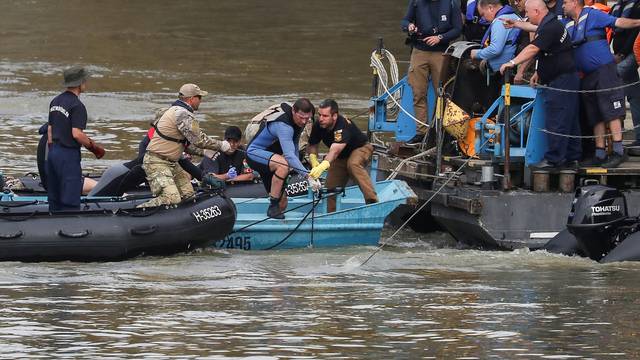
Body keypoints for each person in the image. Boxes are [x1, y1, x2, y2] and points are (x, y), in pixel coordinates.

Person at [500, 0, 581, 169]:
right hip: (564, 77)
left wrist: (512, 62)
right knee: (570, 119)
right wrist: (516, 24)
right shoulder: (551, 23)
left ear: (536, 11)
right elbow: (535, 29)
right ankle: (572, 157)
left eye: (528, 13)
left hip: (562, 80)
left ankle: (554, 159)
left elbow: (533, 48)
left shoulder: (550, 27)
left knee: (557, 119)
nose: (527, 16)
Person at [562, 0, 640, 167]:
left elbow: (618, 22)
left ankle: (618, 151)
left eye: (566, 2)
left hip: (605, 71)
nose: (562, 5)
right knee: (595, 115)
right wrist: (518, 24)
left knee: (611, 111)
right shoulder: (567, 23)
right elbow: (541, 28)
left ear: (575, 2)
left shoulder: (593, 15)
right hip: (588, 76)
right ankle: (600, 153)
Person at [138, 83, 230, 208]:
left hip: (171, 163)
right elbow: (199, 140)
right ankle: (140, 210)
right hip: (157, 163)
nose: (200, 101)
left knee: (189, 194)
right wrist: (221, 145)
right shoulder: (182, 113)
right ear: (192, 98)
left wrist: (203, 152)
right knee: (173, 198)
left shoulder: (177, 110)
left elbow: (185, 144)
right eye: (199, 97)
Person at [401, 0, 463, 145]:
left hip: (441, 53)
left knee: (442, 94)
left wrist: (440, 38)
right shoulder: (417, 2)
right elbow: (405, 20)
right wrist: (409, 26)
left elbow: (458, 28)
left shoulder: (451, 4)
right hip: (419, 51)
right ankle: (421, 132)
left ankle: (441, 132)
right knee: (418, 93)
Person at [46, 66, 105, 211]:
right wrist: (94, 148)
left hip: (53, 153)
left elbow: (49, 130)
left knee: (55, 197)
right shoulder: (77, 105)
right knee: (70, 199)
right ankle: (71, 229)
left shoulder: (55, 101)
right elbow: (77, 134)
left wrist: (53, 151)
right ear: (80, 83)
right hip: (68, 155)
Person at [246, 98, 314, 219]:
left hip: (272, 159)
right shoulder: (284, 125)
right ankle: (272, 207)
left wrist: (299, 167)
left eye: (307, 118)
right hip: (255, 155)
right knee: (283, 165)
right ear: (293, 111)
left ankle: (273, 218)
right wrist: (307, 176)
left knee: (283, 204)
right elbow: (288, 155)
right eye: (301, 117)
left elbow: (294, 149)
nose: (304, 121)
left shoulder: (299, 123)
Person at [307, 100, 379, 213]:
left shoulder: (342, 125)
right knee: (329, 188)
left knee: (353, 164)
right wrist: (313, 159)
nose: (321, 118)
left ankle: (372, 202)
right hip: (341, 156)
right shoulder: (319, 124)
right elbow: (313, 144)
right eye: (319, 115)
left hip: (360, 148)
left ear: (334, 116)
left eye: (325, 116)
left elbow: (334, 151)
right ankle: (331, 215)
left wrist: (322, 166)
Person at [470, 0, 521, 103]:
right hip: (511, 68)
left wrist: (477, 54)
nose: (483, 18)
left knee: (499, 108)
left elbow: (495, 49)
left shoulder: (500, 20)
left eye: (483, 14)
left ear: (490, 8)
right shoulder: (513, 15)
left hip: (503, 73)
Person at [611, 0, 640, 148]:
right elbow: (611, 31)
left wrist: (621, 54)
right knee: (635, 97)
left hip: (631, 54)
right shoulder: (617, 6)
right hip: (618, 54)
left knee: (609, 80)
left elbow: (636, 32)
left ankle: (614, 141)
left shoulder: (637, 5)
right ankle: (638, 139)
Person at [36, 123, 97, 194]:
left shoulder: (50, 134)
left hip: (53, 182)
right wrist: (94, 148)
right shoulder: (58, 141)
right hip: (59, 186)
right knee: (100, 187)